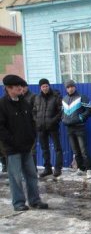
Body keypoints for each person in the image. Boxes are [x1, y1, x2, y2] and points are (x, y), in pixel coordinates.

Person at [0, 74, 48, 211]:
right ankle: (19, 203)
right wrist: (12, 141)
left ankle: (35, 200)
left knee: (31, 174)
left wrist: (32, 136)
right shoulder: (2, 105)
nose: (21, 89)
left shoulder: (24, 102)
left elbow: (31, 122)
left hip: (27, 146)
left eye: (21, 86)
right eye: (17, 86)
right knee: (15, 177)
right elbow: (1, 128)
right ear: (9, 88)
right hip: (12, 148)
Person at [62, 79, 91, 179]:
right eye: (68, 87)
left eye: (71, 86)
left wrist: (81, 117)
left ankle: (89, 170)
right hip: (69, 129)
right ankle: (81, 168)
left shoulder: (81, 97)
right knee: (75, 151)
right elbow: (62, 112)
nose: (70, 89)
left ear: (75, 87)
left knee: (83, 150)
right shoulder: (64, 99)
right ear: (66, 89)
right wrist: (63, 119)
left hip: (80, 128)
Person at [33, 78, 63, 178]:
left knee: (57, 148)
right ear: (40, 88)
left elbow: (61, 112)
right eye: (43, 86)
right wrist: (37, 121)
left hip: (53, 127)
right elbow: (33, 111)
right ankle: (47, 169)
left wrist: (53, 121)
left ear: (49, 86)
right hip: (41, 128)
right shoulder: (37, 98)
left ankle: (58, 168)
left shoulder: (56, 96)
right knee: (44, 149)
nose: (45, 88)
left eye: (46, 86)